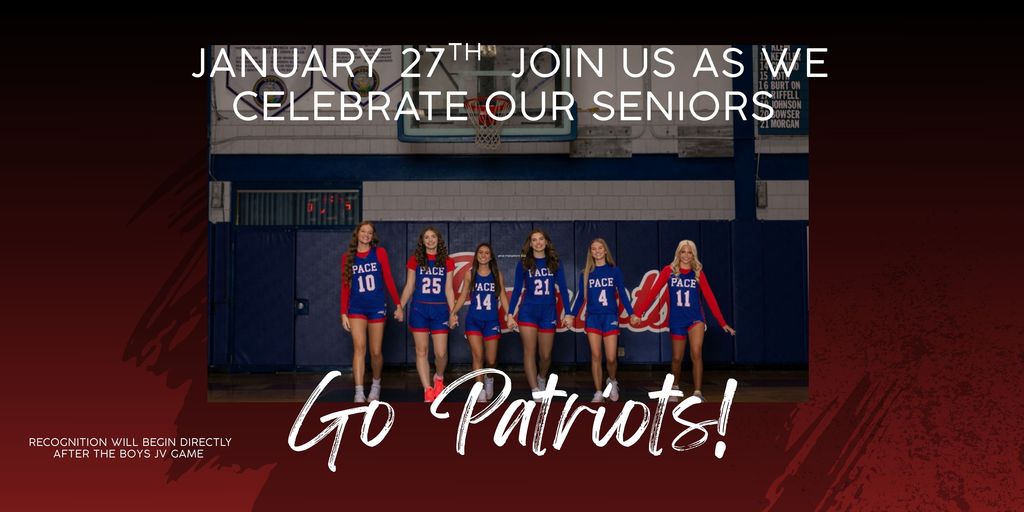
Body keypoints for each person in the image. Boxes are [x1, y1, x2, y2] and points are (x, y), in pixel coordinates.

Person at [630, 240, 736, 402]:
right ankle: (675, 387)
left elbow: (710, 298)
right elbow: (653, 292)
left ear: (693, 255)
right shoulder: (669, 271)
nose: (686, 255)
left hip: (696, 318)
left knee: (696, 352)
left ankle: (698, 392)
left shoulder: (698, 273)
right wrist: (638, 313)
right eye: (683, 252)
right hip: (677, 319)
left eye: (689, 252)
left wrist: (722, 322)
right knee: (677, 358)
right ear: (678, 253)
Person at [565, 238, 633, 402]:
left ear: (605, 250)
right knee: (596, 355)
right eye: (593, 249)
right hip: (593, 318)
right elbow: (581, 297)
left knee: (610, 358)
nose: (597, 251)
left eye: (600, 248)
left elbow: (622, 294)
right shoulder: (586, 273)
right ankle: (598, 391)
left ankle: (612, 380)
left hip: (610, 316)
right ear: (591, 252)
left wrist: (632, 313)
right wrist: (571, 314)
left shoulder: (614, 271)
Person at [340, 221, 401, 403]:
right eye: (363, 231)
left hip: (376, 307)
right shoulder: (348, 257)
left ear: (373, 236)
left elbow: (388, 278)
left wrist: (398, 304)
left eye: (370, 232)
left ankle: (376, 385)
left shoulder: (379, 253)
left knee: (375, 352)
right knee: (359, 348)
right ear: (357, 234)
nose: (366, 234)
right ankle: (359, 391)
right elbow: (345, 286)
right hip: (356, 308)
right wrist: (343, 312)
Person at [507, 229, 570, 398]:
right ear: (531, 243)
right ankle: (535, 389)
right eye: (534, 240)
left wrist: (569, 313)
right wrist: (510, 313)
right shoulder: (524, 263)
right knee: (529, 351)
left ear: (547, 242)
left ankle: (541, 377)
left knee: (546, 355)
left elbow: (563, 289)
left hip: (548, 312)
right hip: (528, 312)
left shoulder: (555, 262)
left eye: (541, 239)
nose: (538, 242)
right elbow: (517, 290)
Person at [450, 243, 516, 402]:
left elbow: (503, 298)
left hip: (491, 320)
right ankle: (479, 389)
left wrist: (510, 315)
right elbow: (463, 295)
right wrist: (453, 312)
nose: (483, 255)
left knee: (491, 360)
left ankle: (489, 378)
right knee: (478, 355)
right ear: (477, 255)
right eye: (481, 252)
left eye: (487, 253)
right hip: (473, 320)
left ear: (491, 256)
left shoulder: (496, 274)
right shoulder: (470, 274)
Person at [397, 227, 455, 403]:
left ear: (438, 239)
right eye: (427, 237)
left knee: (441, 353)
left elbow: (449, 289)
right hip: (419, 309)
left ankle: (438, 378)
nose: (430, 240)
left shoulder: (447, 261)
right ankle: (427, 389)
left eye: (433, 237)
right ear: (422, 241)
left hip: (440, 310)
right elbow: (409, 285)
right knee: (421, 351)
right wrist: (400, 306)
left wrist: (453, 313)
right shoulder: (415, 260)